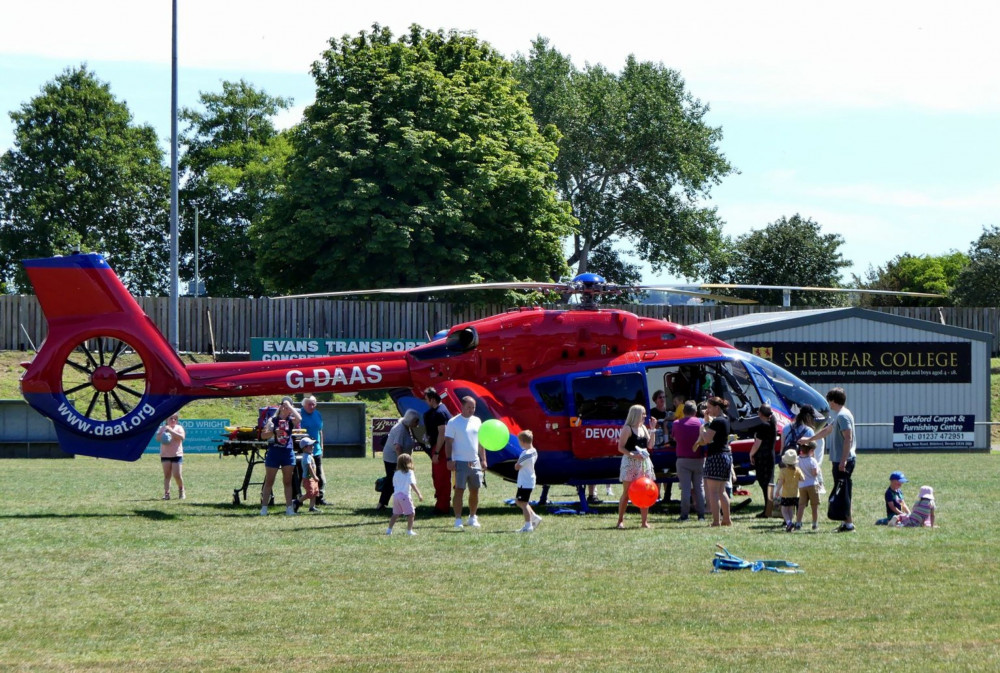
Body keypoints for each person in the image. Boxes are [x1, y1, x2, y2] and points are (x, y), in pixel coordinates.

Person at [809, 388, 856, 532]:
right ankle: (845, 522)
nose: (828, 403)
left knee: (842, 491)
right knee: (841, 490)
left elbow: (848, 438)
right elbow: (827, 430)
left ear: (833, 401)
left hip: (844, 460)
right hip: (840, 459)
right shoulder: (839, 415)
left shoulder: (842, 416)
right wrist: (810, 439)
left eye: (829, 400)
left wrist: (843, 461)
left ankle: (848, 524)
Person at [445, 396, 487, 530]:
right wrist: (449, 459)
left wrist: (483, 459)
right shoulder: (453, 422)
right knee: (459, 490)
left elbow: (481, 442)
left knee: (475, 490)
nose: (471, 410)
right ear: (461, 407)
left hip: (474, 462)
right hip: (459, 462)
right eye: (468, 407)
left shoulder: (477, 421)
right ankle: (458, 518)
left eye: (473, 407)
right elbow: (448, 442)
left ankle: (472, 517)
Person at [616, 404, 656, 529]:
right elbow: (620, 447)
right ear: (636, 414)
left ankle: (644, 522)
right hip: (630, 463)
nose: (645, 416)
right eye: (643, 413)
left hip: (644, 463)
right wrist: (633, 454)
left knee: (645, 490)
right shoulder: (628, 429)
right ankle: (620, 521)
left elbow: (650, 446)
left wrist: (653, 430)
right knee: (627, 493)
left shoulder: (643, 428)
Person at [260, 397, 301, 516]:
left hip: (287, 452)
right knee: (269, 481)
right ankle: (264, 508)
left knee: (287, 481)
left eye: (287, 406)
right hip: (274, 452)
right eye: (283, 405)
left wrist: (290, 407)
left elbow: (299, 418)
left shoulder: (291, 420)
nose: (285, 407)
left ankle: (289, 508)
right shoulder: (272, 420)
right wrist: (274, 432)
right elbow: (263, 436)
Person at [700, 396, 733, 527]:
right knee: (722, 491)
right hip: (725, 456)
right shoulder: (725, 419)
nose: (707, 410)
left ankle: (716, 521)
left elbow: (707, 439)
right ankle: (727, 519)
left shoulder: (717, 421)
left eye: (709, 407)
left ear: (717, 407)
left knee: (713, 492)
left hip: (715, 456)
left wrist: (703, 427)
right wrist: (708, 421)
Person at [378, 410, 420, 511]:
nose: (417, 423)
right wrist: (401, 463)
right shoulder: (401, 429)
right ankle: (382, 504)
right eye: (416, 421)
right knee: (394, 481)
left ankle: (384, 503)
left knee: (393, 480)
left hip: (397, 458)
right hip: (393, 458)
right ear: (410, 420)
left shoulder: (406, 427)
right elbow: (397, 447)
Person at [672, 400, 705, 521]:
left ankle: (684, 515)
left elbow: (675, 438)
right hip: (699, 459)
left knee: (685, 489)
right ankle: (701, 515)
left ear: (683, 411)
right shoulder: (701, 422)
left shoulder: (676, 423)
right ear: (695, 411)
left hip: (683, 460)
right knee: (699, 488)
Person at [422, 388, 453, 514]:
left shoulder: (440, 412)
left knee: (442, 478)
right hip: (439, 447)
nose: (426, 402)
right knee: (437, 477)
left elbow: (443, 433)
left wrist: (436, 453)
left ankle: (442, 506)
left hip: (442, 449)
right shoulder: (437, 411)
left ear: (432, 399)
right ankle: (441, 503)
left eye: (426, 399)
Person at [748, 404, 777, 519]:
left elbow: (757, 444)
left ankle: (767, 510)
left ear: (760, 414)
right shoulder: (771, 424)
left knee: (764, 484)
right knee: (768, 483)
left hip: (763, 457)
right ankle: (768, 509)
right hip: (769, 456)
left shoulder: (764, 426)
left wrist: (751, 454)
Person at [299, 395, 327, 505]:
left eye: (314, 404)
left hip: (316, 451)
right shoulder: (299, 414)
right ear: (304, 404)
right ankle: (299, 498)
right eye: (309, 404)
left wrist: (322, 447)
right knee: (303, 476)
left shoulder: (318, 414)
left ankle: (319, 498)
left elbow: (320, 431)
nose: (312, 406)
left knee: (320, 477)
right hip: (303, 451)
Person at [386, 453, 423, 535]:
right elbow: (412, 484)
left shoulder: (396, 473)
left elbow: (394, 484)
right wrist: (419, 494)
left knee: (395, 514)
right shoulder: (410, 472)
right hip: (404, 496)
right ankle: (409, 531)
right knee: (411, 514)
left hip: (396, 496)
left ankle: (389, 530)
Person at [513, 430, 542, 532]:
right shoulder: (534, 451)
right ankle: (534, 517)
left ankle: (528, 525)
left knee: (523, 503)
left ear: (523, 442)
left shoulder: (525, 454)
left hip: (525, 482)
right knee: (518, 501)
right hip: (528, 480)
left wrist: (515, 464)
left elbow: (517, 467)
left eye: (519, 441)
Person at [156, 413, 186, 500]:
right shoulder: (162, 428)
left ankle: (181, 490)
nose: (173, 420)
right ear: (166, 420)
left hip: (177, 454)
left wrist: (171, 431)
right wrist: (163, 433)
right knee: (167, 475)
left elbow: (182, 437)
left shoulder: (179, 428)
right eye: (171, 418)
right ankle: (166, 494)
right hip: (165, 455)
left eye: (175, 419)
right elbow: (157, 438)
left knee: (177, 475)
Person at [774, 449, 805, 532]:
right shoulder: (798, 470)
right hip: (795, 494)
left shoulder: (783, 471)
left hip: (786, 494)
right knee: (791, 509)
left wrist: (777, 491)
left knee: (784, 509)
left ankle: (788, 523)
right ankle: (790, 522)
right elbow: (803, 479)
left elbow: (780, 482)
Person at [795, 441, 820, 530]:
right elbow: (814, 473)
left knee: (801, 505)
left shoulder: (797, 459)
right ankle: (814, 523)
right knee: (814, 505)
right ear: (811, 451)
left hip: (801, 485)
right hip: (813, 484)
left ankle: (798, 523)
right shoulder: (812, 460)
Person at [295, 437, 321, 513]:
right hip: (308, 478)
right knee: (310, 493)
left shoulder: (309, 455)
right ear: (305, 448)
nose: (313, 447)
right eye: (310, 445)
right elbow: (310, 468)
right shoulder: (306, 457)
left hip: (312, 478)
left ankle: (312, 507)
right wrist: (314, 476)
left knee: (315, 492)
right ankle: (297, 502)